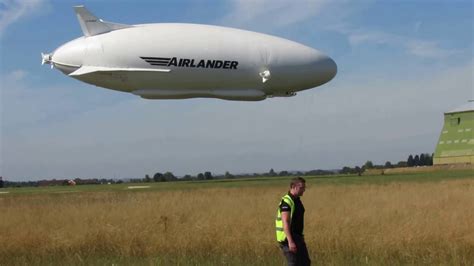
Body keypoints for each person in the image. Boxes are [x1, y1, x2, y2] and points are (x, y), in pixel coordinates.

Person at [276, 177, 311, 265]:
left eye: (304, 188)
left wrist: (300, 237)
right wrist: (291, 241)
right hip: (288, 240)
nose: (304, 190)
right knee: (294, 263)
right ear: (294, 187)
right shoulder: (286, 202)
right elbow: (285, 222)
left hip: (297, 237)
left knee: (305, 263)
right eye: (301, 188)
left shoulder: (297, 200)